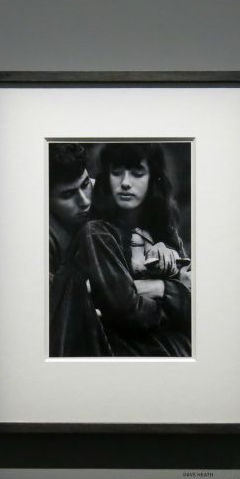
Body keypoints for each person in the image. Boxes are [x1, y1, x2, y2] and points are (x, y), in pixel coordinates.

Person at [50, 143, 191, 357]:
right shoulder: (91, 232)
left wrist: (154, 287)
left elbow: (196, 301)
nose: (125, 183)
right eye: (116, 173)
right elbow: (126, 310)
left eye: (137, 173)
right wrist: (174, 295)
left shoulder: (159, 223)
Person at [49, 143, 93, 279]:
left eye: (85, 184)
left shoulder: (104, 191)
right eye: (68, 195)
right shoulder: (39, 236)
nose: (85, 202)